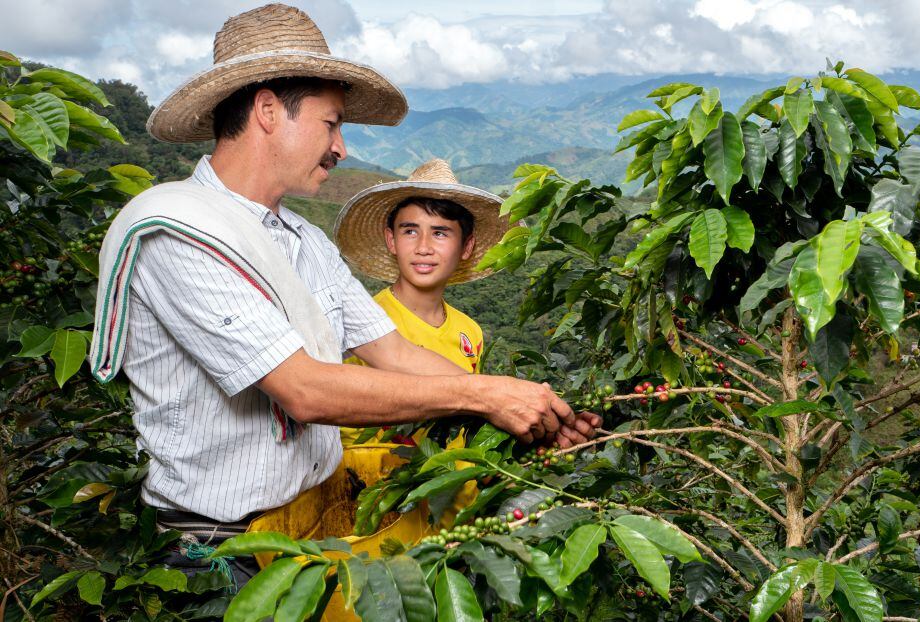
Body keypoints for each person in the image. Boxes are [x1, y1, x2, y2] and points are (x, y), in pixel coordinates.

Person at [88, 3, 600, 586]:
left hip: (306, 530)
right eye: (331, 123)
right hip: (219, 550)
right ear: (267, 112)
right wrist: (486, 396)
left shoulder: (304, 240)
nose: (341, 147)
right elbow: (303, 390)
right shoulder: (178, 232)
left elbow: (394, 352)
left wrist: (536, 411)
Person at [334, 158, 508, 446]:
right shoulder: (364, 322)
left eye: (440, 233)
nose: (423, 247)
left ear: (467, 246)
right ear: (391, 240)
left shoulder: (470, 332)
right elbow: (346, 432)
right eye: (410, 231)